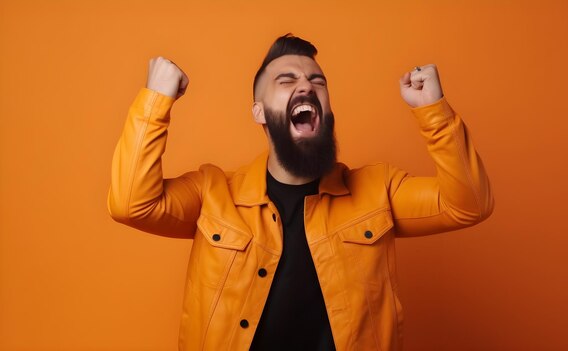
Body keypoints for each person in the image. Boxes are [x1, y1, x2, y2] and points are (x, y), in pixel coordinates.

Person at [108, 34, 494, 351]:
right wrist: (156, 100)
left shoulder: (378, 191)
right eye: (287, 80)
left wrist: (433, 111)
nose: (307, 85)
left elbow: (469, 205)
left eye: (318, 82)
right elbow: (131, 205)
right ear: (259, 112)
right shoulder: (213, 192)